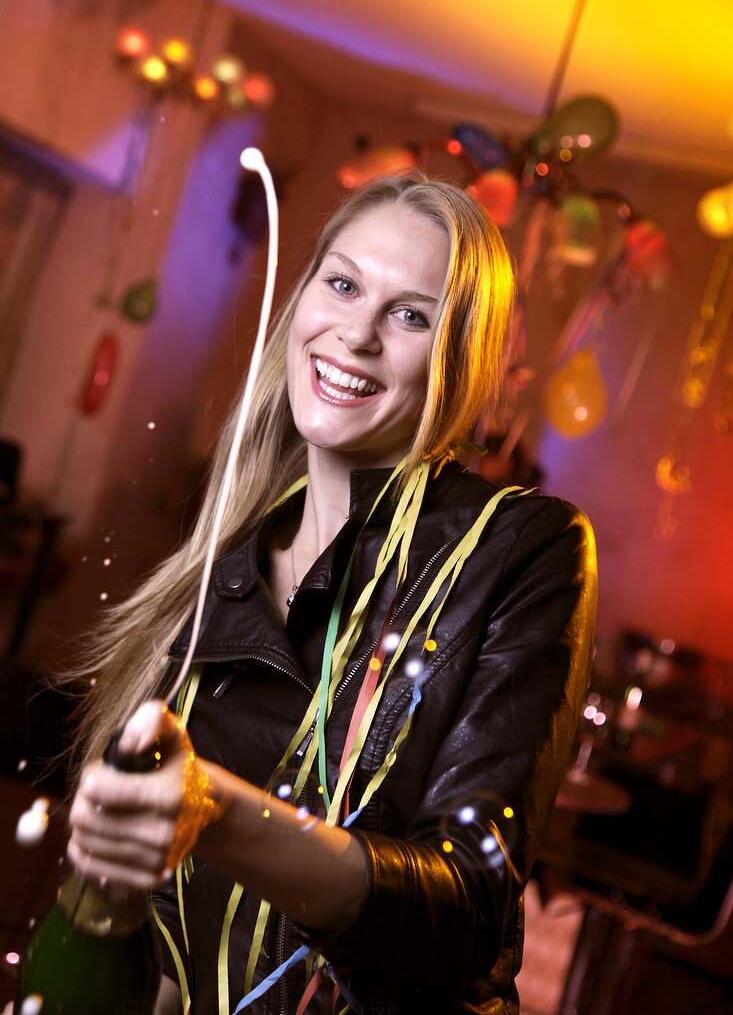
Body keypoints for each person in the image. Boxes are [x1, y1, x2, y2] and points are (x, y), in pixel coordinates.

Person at [64, 171, 597, 1015]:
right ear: (304, 295)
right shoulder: (228, 556)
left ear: (460, 356)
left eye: (411, 314)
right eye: (343, 284)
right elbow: (177, 935)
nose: (355, 333)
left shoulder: (523, 548)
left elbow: (465, 912)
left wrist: (220, 813)